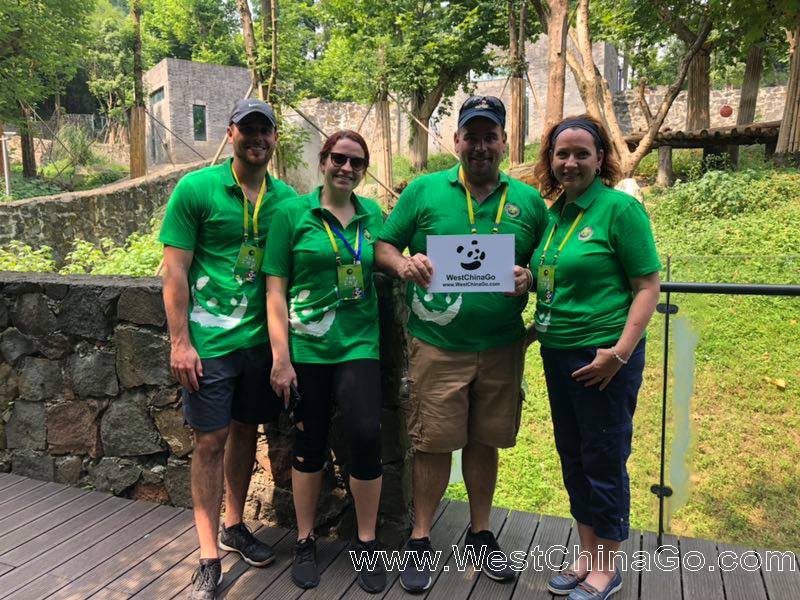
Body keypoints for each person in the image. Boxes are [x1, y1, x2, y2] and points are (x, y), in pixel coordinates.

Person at [375, 96, 550, 591]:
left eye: (489, 136)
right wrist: (403, 265)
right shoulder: (424, 192)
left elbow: (549, 260)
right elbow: (384, 245)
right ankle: (421, 538)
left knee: (483, 439)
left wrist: (530, 277)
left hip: (500, 347)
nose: (480, 145)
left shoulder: (529, 201)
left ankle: (480, 533)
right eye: (471, 136)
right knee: (432, 443)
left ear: (503, 142)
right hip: (436, 345)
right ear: (456, 142)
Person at [160, 99, 298, 600]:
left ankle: (235, 526)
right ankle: (207, 553)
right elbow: (174, 269)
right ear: (231, 132)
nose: (257, 138)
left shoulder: (286, 199)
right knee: (209, 441)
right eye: (248, 129)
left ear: (274, 138)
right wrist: (180, 343)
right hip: (209, 344)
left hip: (258, 344)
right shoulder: (196, 189)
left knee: (245, 432)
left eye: (266, 130)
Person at [531, 115, 661, 600]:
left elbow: (647, 286)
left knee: (604, 458)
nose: (570, 162)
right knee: (574, 457)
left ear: (600, 158)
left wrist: (620, 354)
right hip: (558, 352)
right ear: (551, 160)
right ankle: (587, 555)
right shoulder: (555, 214)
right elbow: (559, 285)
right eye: (562, 154)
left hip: (604, 358)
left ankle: (607, 567)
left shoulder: (619, 210)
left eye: (581, 153)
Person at [263, 130, 386, 593]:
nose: (347, 168)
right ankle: (304, 538)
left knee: (365, 436)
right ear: (323, 160)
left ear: (364, 168)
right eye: (339, 159)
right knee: (308, 441)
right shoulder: (292, 214)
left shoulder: (373, 215)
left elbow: (393, 256)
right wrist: (281, 358)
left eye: (357, 162)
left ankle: (368, 541)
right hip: (306, 348)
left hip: (359, 346)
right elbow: (275, 289)